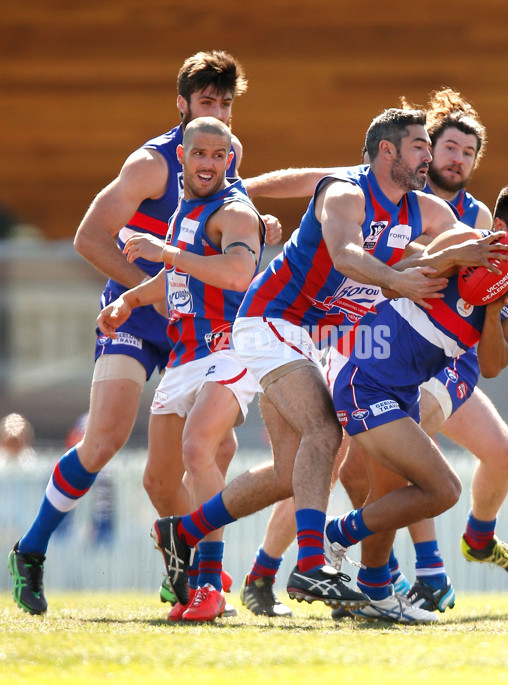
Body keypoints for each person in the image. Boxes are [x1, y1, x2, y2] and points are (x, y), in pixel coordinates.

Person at [150, 104, 508, 612]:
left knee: (289, 473)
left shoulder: (429, 212)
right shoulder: (344, 192)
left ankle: (182, 531)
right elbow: (346, 254)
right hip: (273, 321)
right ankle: (311, 567)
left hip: (324, 338)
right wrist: (398, 279)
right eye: (420, 146)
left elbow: (451, 258)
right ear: (388, 151)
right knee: (326, 433)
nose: (429, 155)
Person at [236, 88, 508, 618]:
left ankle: (449, 554)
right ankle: (288, 570)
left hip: (441, 355)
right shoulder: (377, 185)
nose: (455, 159)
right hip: (371, 341)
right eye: (446, 147)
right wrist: (236, 191)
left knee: (495, 454)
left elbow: (502, 274)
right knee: (345, 452)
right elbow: (308, 182)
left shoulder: (475, 214)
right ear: (421, 150)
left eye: (468, 153)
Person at [7, 50, 278, 616]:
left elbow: (227, 226)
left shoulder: (224, 155)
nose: (220, 112)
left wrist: (259, 224)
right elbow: (88, 237)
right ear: (181, 104)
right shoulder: (151, 164)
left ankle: (192, 573)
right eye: (207, 102)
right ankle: (30, 551)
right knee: (104, 438)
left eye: (227, 103)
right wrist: (144, 291)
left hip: (198, 322)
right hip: (143, 313)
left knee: (206, 452)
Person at [323, 180, 508, 622]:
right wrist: (452, 259)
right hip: (367, 381)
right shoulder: (462, 239)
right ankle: (335, 535)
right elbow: (392, 285)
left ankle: (375, 591)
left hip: (402, 394)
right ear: (501, 224)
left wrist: (492, 310)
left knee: (391, 495)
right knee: (443, 489)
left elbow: (492, 365)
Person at [97, 116, 265, 621]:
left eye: (220, 155)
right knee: (157, 480)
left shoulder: (235, 211)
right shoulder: (184, 212)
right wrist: (129, 299)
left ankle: (209, 585)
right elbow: (176, 276)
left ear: (230, 160)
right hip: (186, 355)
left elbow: (238, 274)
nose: (211, 163)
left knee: (199, 447)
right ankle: (197, 571)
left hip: (230, 348)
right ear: (183, 158)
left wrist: (165, 253)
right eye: (201, 154)